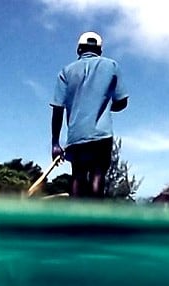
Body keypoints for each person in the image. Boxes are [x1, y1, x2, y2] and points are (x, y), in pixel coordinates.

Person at [50, 31, 129, 198]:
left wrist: (55, 143)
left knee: (78, 175)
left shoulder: (66, 72)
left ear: (79, 49)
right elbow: (122, 102)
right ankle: (95, 217)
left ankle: (74, 218)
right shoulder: (112, 66)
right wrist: (105, 107)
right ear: (100, 50)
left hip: (76, 136)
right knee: (98, 174)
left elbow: (58, 108)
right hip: (102, 135)